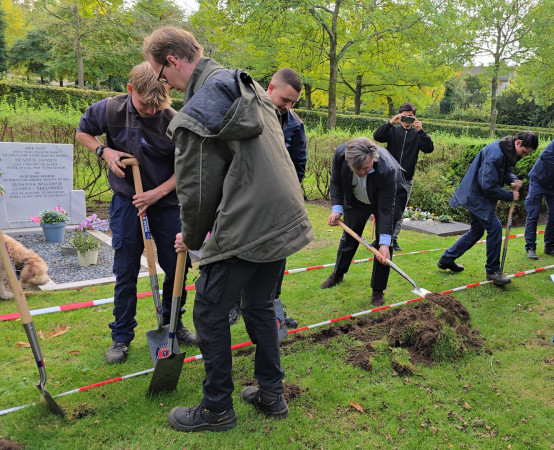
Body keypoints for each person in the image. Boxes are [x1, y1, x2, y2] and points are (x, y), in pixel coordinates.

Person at [143, 26, 313, 432]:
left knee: (209, 312)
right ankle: (272, 394)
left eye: (164, 76)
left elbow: (196, 186)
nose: (166, 84)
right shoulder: (245, 82)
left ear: (173, 61)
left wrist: (194, 235)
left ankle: (216, 407)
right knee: (258, 306)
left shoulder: (203, 104)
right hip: (283, 217)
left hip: (250, 221)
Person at [75, 62, 198, 364]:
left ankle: (173, 325)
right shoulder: (109, 110)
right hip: (127, 201)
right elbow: (83, 132)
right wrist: (105, 151)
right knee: (126, 268)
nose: (153, 111)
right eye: (146, 105)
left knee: (177, 265)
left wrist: (157, 193)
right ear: (130, 90)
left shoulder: (175, 121)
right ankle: (121, 337)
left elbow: (188, 168)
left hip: (165, 202)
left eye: (159, 105)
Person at [229, 68, 306, 330]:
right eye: (285, 100)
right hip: (245, 203)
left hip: (277, 207)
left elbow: (298, 166)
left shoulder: (295, 125)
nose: (288, 107)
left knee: (277, 256)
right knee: (238, 254)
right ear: (270, 89)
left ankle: (273, 307)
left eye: (293, 103)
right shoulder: (246, 111)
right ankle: (232, 304)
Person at [438, 131, 538, 286]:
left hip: (477, 196)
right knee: (495, 228)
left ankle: (446, 259)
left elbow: (505, 171)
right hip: (476, 196)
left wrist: (513, 179)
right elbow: (488, 186)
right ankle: (492, 271)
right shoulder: (496, 154)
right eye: (524, 152)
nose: (523, 156)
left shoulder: (507, 150)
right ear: (518, 142)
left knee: (476, 231)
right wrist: (509, 195)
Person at [319, 137, 406, 306]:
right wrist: (337, 208)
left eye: (366, 168)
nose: (361, 173)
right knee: (349, 237)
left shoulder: (387, 169)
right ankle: (338, 274)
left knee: (383, 246)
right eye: (356, 169)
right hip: (357, 199)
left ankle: (378, 291)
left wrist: (385, 242)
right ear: (348, 160)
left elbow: (386, 209)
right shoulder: (340, 154)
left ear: (373, 159)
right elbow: (336, 181)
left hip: (388, 200)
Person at [373, 102, 434, 251]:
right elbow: (377, 136)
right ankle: (380, 239)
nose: (407, 120)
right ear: (400, 117)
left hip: (406, 179)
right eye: (404, 117)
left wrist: (421, 131)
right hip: (388, 176)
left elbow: (429, 149)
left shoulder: (417, 135)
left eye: (410, 117)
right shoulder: (392, 131)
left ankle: (393, 239)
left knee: (398, 210)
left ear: (415, 118)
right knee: (383, 207)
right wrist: (390, 122)